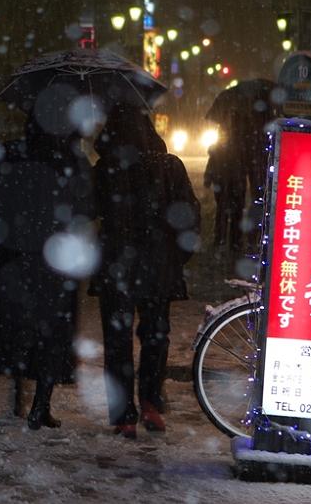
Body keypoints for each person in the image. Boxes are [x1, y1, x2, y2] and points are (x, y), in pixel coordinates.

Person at [90, 106, 200, 439]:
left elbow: (87, 211)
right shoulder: (169, 166)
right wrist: (176, 257)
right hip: (158, 265)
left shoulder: (104, 169)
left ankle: (124, 414)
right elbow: (189, 217)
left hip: (116, 267)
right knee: (155, 335)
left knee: (117, 341)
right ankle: (151, 402)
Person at [0, 114, 95, 430]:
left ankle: (17, 394)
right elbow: (86, 207)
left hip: (14, 255)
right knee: (51, 331)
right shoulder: (72, 159)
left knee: (18, 325)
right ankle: (40, 405)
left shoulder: (10, 153)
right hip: (55, 258)